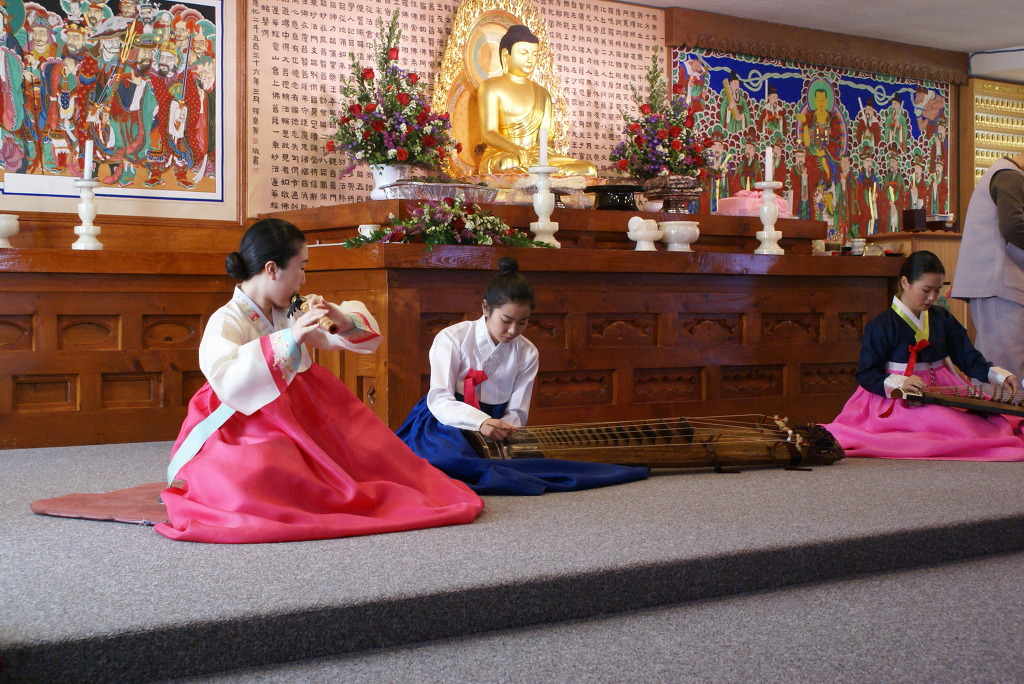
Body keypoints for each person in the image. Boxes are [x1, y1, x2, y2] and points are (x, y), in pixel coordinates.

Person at [155, 219, 484, 543]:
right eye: (301, 268)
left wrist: (340, 319)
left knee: (371, 456)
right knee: (258, 476)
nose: (304, 278)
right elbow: (226, 378)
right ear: (272, 269)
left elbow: (340, 336)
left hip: (304, 410)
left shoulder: (290, 308)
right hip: (245, 419)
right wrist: (289, 339)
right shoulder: (227, 318)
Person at [396, 257, 649, 495]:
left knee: (514, 464)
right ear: (485, 308)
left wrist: (507, 425)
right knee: (449, 460)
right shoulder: (452, 338)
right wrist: (479, 422)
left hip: (497, 424)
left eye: (523, 322)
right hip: (447, 420)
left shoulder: (527, 352)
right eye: (506, 320)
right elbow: (440, 398)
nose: (513, 330)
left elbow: (517, 409)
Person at [824, 251, 1024, 461]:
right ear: (905, 283)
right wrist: (898, 382)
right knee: (953, 424)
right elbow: (866, 374)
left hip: (944, 387)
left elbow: (966, 356)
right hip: (897, 396)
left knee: (989, 422)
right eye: (926, 290)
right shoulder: (881, 326)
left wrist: (998, 375)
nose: (932, 298)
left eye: (937, 290)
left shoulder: (942, 319)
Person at [476, 24, 596, 177]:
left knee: (589, 169)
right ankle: (545, 175)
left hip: (537, 157)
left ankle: (544, 175)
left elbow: (547, 142)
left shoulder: (543, 93)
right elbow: (489, 132)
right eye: (523, 53)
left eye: (535, 54)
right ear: (506, 55)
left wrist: (540, 159)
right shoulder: (491, 87)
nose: (530, 60)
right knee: (508, 164)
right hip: (504, 154)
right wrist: (516, 149)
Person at [952, 152, 1024, 380]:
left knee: (999, 365)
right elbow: (1014, 227)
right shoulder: (1009, 176)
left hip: (998, 284)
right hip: (999, 283)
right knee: (1006, 368)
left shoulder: (1005, 173)